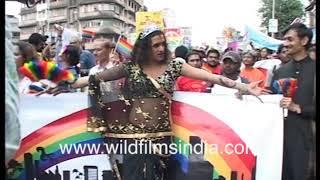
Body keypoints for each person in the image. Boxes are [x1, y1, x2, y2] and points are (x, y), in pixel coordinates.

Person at [39, 25, 268, 179]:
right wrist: (65, 84)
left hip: (161, 139)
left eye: (162, 44)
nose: (160, 48)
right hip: (132, 140)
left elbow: (214, 77)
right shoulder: (130, 67)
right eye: (155, 45)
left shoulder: (175, 65)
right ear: (145, 47)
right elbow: (93, 78)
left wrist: (244, 87)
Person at [271, 23, 315, 180]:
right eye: (284, 40)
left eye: (290, 39)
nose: (285, 43)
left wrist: (298, 108)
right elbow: (271, 99)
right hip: (280, 140)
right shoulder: (280, 71)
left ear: (304, 41)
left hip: (307, 140)